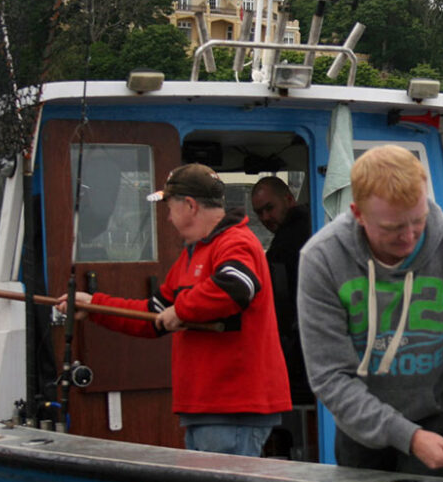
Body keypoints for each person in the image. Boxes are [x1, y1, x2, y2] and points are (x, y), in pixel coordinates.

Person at [297, 144, 443, 474]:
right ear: (358, 214)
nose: (409, 237)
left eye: (418, 221)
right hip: (362, 427)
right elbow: (331, 377)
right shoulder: (322, 260)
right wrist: (410, 437)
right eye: (391, 228)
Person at [57, 163, 292, 456]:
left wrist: (181, 311)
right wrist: (94, 306)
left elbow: (236, 286)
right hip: (206, 411)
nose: (167, 217)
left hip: (232, 410)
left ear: (190, 206)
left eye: (170, 206)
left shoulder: (237, 242)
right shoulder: (191, 255)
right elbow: (153, 316)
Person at [250, 176, 316, 457]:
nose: (265, 217)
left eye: (270, 208)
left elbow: (281, 302)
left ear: (289, 200)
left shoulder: (292, 240)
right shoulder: (302, 229)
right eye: (259, 213)